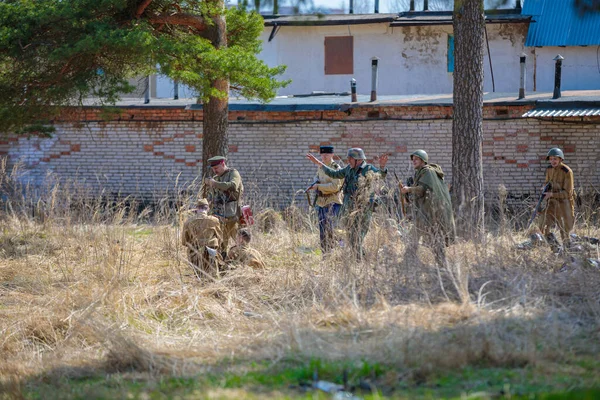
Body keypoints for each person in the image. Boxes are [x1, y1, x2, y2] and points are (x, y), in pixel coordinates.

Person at [306, 147, 388, 260]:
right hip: (349, 207)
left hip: (363, 208)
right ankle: (360, 258)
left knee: (358, 235)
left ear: (357, 159)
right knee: (350, 235)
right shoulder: (349, 168)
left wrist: (382, 167)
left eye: (350, 158)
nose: (348, 161)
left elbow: (379, 176)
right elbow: (334, 174)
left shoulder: (367, 168)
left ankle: (359, 259)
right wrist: (319, 164)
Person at [400, 150, 455, 267]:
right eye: (413, 159)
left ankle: (442, 264)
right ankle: (408, 260)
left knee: (434, 237)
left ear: (423, 160)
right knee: (415, 235)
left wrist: (408, 189)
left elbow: (422, 189)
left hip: (432, 211)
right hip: (426, 211)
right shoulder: (422, 172)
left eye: (416, 159)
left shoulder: (428, 172)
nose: (413, 161)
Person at [306, 145, 344, 253]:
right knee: (322, 230)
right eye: (322, 154)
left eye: (327, 154)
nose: (324, 156)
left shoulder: (335, 168)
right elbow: (317, 178)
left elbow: (334, 187)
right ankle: (325, 253)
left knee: (330, 228)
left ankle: (337, 249)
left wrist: (318, 187)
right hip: (321, 202)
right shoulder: (320, 167)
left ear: (332, 154)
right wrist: (314, 184)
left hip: (333, 201)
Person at [204, 156, 244, 258]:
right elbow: (211, 196)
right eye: (213, 169)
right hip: (220, 216)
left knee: (239, 240)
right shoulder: (216, 178)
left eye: (216, 168)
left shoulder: (233, 173)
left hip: (233, 216)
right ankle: (223, 265)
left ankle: (246, 260)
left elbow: (233, 186)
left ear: (223, 164)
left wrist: (215, 183)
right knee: (222, 243)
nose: (215, 171)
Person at [537, 147, 575, 250]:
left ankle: (568, 251)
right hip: (551, 202)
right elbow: (547, 182)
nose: (553, 161)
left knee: (564, 230)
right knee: (543, 225)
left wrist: (552, 194)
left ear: (560, 160)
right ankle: (555, 249)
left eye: (555, 159)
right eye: (551, 159)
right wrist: (543, 188)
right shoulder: (549, 169)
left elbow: (568, 193)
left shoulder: (567, 172)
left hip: (564, 203)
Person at [181, 198, 222, 278]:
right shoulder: (214, 220)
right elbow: (220, 237)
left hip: (195, 251)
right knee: (213, 276)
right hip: (211, 251)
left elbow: (184, 241)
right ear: (208, 208)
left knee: (199, 276)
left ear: (196, 208)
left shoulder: (188, 222)